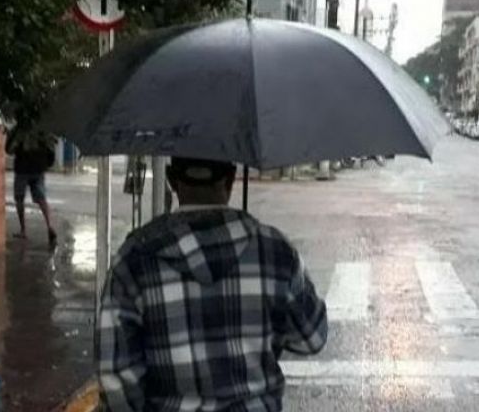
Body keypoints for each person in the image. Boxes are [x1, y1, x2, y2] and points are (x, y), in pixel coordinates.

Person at [97, 157, 328, 411]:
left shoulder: (133, 259)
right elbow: (311, 338)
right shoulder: (275, 251)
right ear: (230, 180)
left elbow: (115, 375)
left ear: (172, 181)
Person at [6, 128, 57, 243]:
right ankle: (50, 226)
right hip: (38, 169)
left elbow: (9, 150)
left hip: (22, 169)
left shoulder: (19, 129)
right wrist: (46, 164)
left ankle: (23, 230)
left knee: (19, 199)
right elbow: (51, 149)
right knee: (42, 198)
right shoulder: (43, 128)